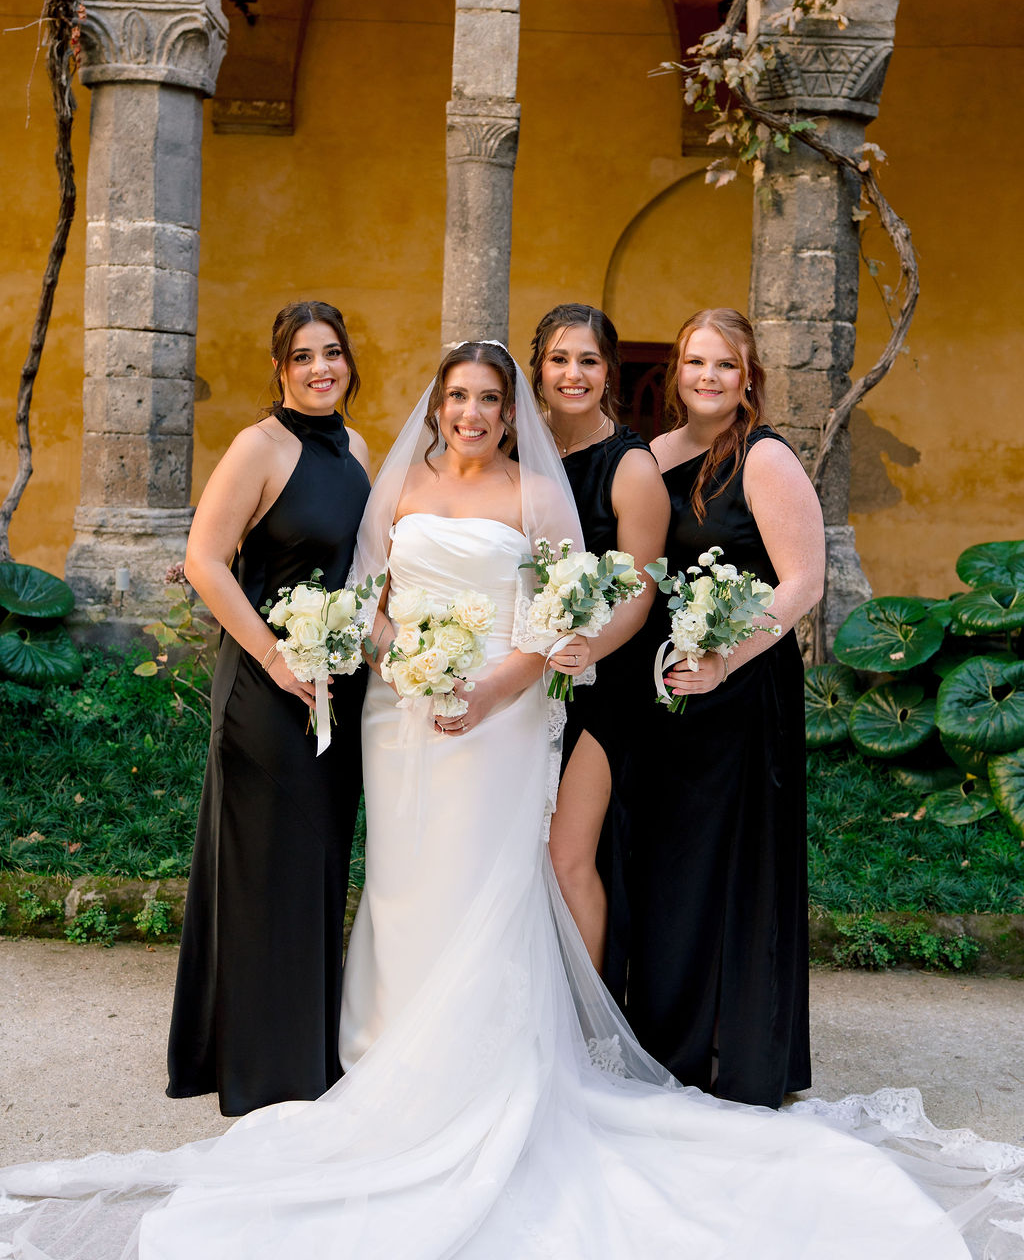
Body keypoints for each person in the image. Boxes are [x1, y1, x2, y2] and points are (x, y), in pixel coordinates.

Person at [1, 341, 1020, 1259]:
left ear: (506, 408)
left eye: (489, 398)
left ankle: (489, 1070)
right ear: (437, 405)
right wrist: (407, 669)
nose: (472, 413)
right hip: (403, 717)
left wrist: (490, 683)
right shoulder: (391, 480)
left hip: (502, 709)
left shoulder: (541, 494)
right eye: (458, 397)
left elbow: (576, 606)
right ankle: (387, 1054)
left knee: (488, 879)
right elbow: (368, 596)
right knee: (403, 884)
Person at [165, 300, 370, 1116]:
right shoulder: (259, 446)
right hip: (265, 687)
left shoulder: (356, 448)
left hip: (336, 689)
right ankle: (258, 1068)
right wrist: (278, 659)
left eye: (333, 353)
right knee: (262, 872)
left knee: (315, 868)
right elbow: (205, 561)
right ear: (280, 368)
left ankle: (307, 1052)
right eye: (303, 356)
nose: (321, 368)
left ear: (349, 362)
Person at [624, 307, 821, 1110]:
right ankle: (665, 1041)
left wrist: (723, 660)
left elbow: (801, 583)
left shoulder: (765, 459)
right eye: (695, 362)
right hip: (665, 690)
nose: (708, 377)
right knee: (667, 865)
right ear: (676, 370)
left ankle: (732, 1049)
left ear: (749, 379)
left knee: (732, 862)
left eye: (725, 366)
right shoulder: (653, 456)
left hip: (741, 690)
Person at [529, 304, 669, 988]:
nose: (573, 374)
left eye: (588, 360)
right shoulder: (514, 454)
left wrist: (589, 648)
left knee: (566, 856)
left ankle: (588, 1025)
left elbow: (642, 592)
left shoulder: (631, 466)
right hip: (524, 678)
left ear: (609, 370)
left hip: (604, 687)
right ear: (539, 368)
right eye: (560, 359)